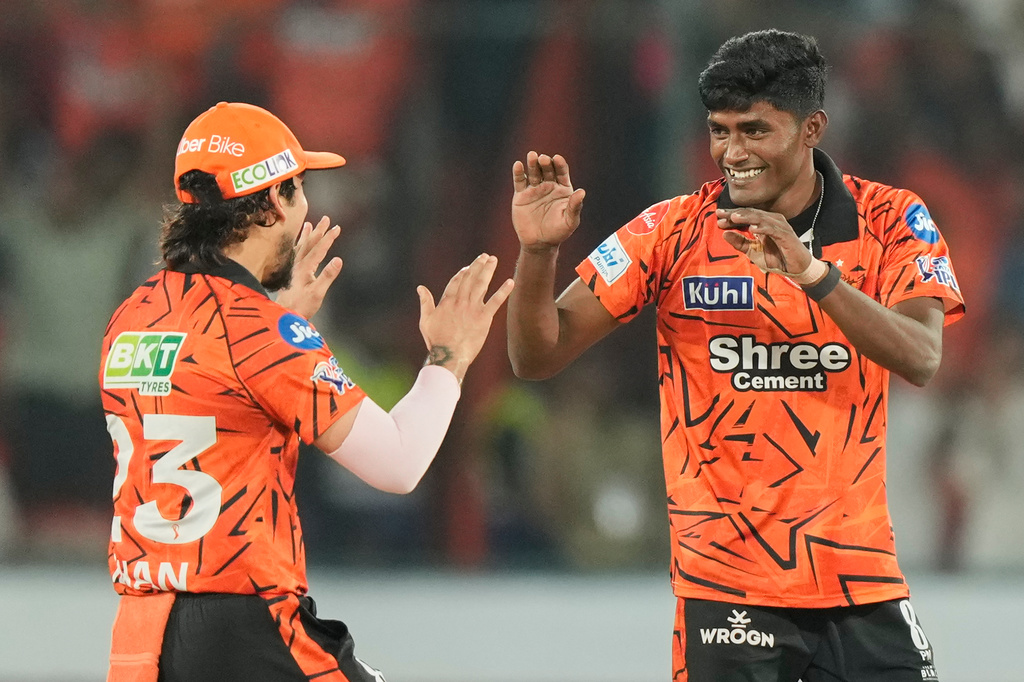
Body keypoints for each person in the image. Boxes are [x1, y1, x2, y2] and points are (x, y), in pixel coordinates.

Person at [507, 30, 963, 682]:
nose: (733, 153)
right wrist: (538, 254)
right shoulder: (669, 232)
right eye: (721, 131)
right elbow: (538, 354)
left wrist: (811, 275)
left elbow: (921, 356)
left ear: (813, 129)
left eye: (755, 130)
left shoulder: (892, 220)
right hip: (726, 589)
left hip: (862, 580)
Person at [100, 101, 513, 682]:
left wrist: (273, 317)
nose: (307, 207)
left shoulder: (132, 315)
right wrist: (449, 356)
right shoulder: (261, 332)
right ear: (271, 202)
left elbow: (209, 393)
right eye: (299, 187)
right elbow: (398, 464)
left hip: (141, 637)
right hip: (245, 626)